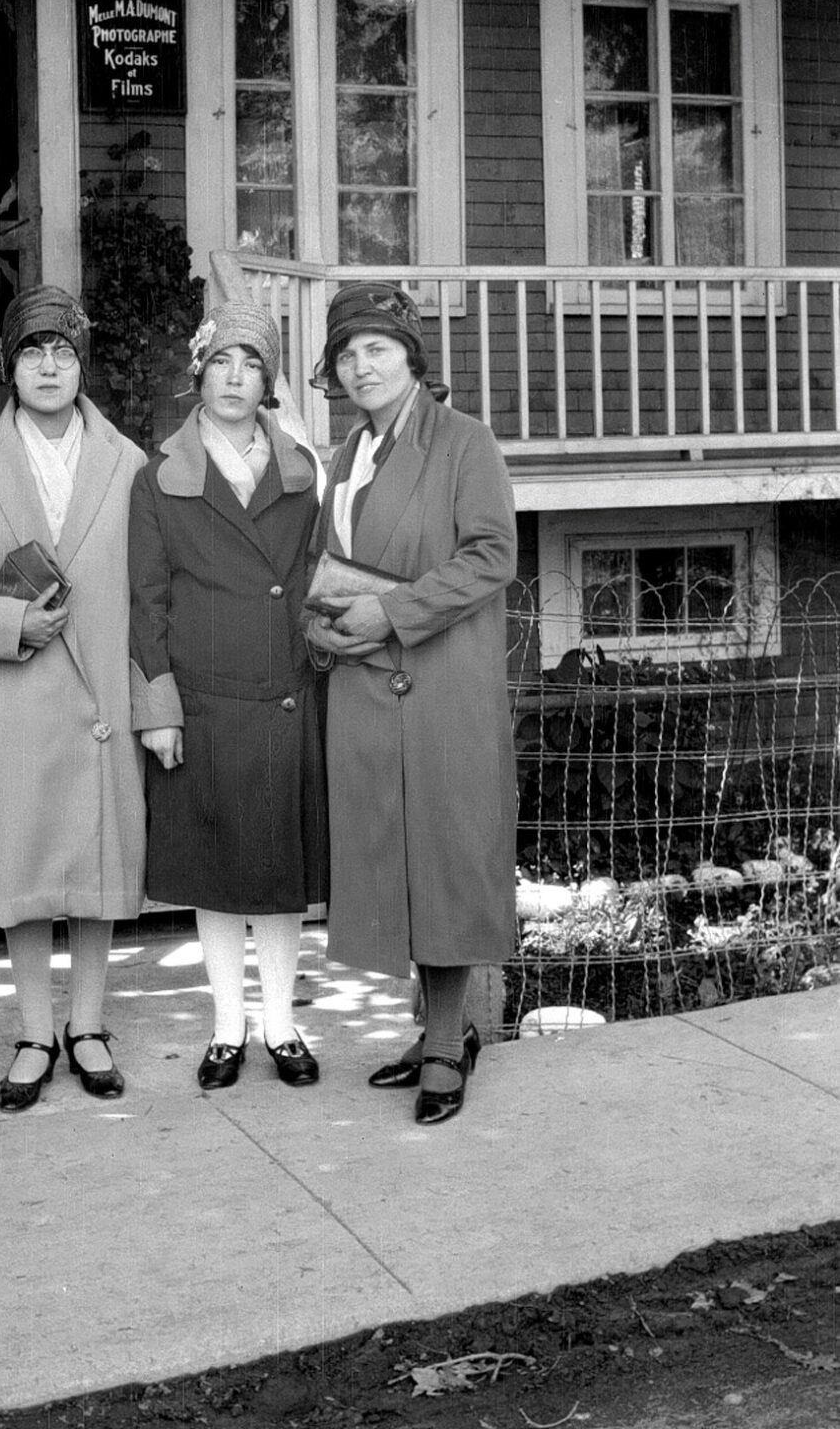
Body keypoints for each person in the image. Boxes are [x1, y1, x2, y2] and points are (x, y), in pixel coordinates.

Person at [0, 284, 147, 1111]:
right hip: (12, 697)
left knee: (94, 863)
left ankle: (87, 1026)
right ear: (9, 368)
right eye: (31, 352)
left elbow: (153, 587)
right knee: (22, 865)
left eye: (63, 352)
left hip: (100, 695)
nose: (48, 367)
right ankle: (34, 1032)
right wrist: (9, 620)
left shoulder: (129, 465)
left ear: (81, 366)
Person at [305, 282, 517, 1127]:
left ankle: (444, 1046)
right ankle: (433, 1029)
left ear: (411, 359)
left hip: (439, 685)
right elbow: (332, 560)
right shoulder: (347, 456)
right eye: (347, 355)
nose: (362, 367)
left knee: (444, 859)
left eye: (377, 350)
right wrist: (323, 623)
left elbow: (492, 555)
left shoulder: (464, 441)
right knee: (397, 864)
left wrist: (390, 613)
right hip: (365, 684)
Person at [128, 301, 327, 1091]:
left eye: (251, 364)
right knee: (214, 872)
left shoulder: (301, 472)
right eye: (221, 361)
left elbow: (314, 576)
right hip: (204, 701)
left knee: (277, 873)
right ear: (199, 374)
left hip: (284, 691)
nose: (234, 377)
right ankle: (226, 1028)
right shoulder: (159, 478)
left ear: (268, 382)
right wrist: (159, 709)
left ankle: (281, 1024)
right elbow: (147, 603)